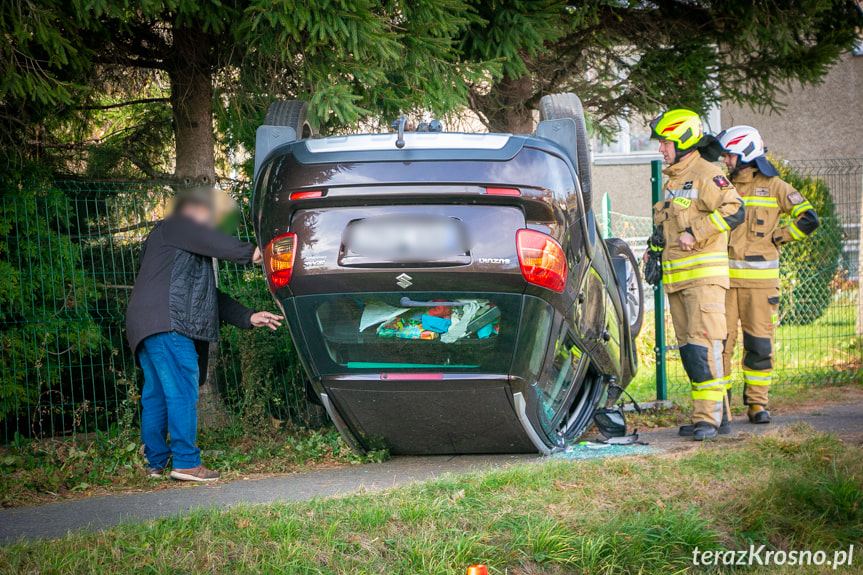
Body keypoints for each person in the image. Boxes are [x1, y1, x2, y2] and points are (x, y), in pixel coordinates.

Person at [126, 187, 283, 481]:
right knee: (181, 391)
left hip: (148, 324)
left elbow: (207, 295)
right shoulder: (177, 225)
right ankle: (186, 462)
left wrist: (248, 316)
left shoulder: (174, 245)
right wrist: (253, 253)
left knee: (157, 394)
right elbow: (212, 242)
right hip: (170, 322)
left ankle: (156, 463)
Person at [647, 109, 746, 441]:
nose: (661, 150)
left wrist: (698, 231)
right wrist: (655, 251)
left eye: (664, 143)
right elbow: (668, 227)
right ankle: (716, 417)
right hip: (678, 282)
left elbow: (734, 208)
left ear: (682, 140)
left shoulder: (706, 173)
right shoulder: (674, 180)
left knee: (704, 350)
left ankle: (709, 419)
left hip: (703, 281)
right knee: (692, 353)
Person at [716, 126, 819, 424]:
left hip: (761, 286)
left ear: (746, 153)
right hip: (723, 283)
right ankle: (720, 407)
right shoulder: (722, 185)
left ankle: (757, 405)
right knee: (720, 346)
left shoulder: (776, 186)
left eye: (730, 155)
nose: (726, 160)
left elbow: (808, 218)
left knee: (759, 346)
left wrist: (780, 237)